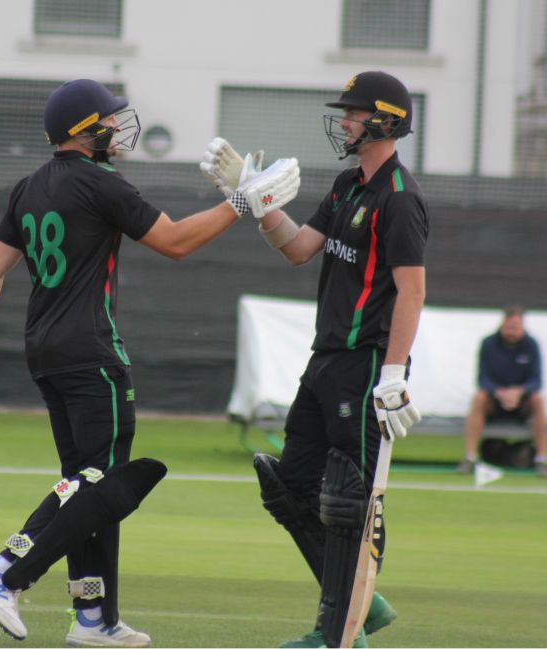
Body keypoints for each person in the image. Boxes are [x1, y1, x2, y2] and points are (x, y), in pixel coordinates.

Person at [0, 78, 300, 647]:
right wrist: (243, 204)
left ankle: (94, 616)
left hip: (45, 353)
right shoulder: (102, 183)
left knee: (85, 487)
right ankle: (5, 569)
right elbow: (175, 242)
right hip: (92, 353)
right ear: (84, 131)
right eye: (108, 121)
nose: (117, 130)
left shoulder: (28, 187)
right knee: (100, 481)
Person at [201, 71, 428, 648]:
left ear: (386, 121)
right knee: (288, 487)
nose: (344, 122)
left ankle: (336, 634)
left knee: (348, 501)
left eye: (354, 113)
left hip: (366, 365)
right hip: (326, 360)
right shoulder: (349, 184)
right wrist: (257, 198)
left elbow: (412, 291)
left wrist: (394, 373)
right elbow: (300, 248)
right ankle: (362, 604)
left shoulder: (399, 199)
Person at [456, 306, 547, 476]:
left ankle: (541, 459)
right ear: (502, 324)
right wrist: (499, 393)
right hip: (495, 402)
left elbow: (536, 381)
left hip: (521, 403)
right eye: (508, 328)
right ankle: (470, 457)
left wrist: (519, 392)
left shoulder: (531, 345)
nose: (511, 332)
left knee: (538, 400)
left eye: (515, 328)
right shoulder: (489, 343)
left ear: (522, 327)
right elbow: (483, 379)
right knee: (479, 398)